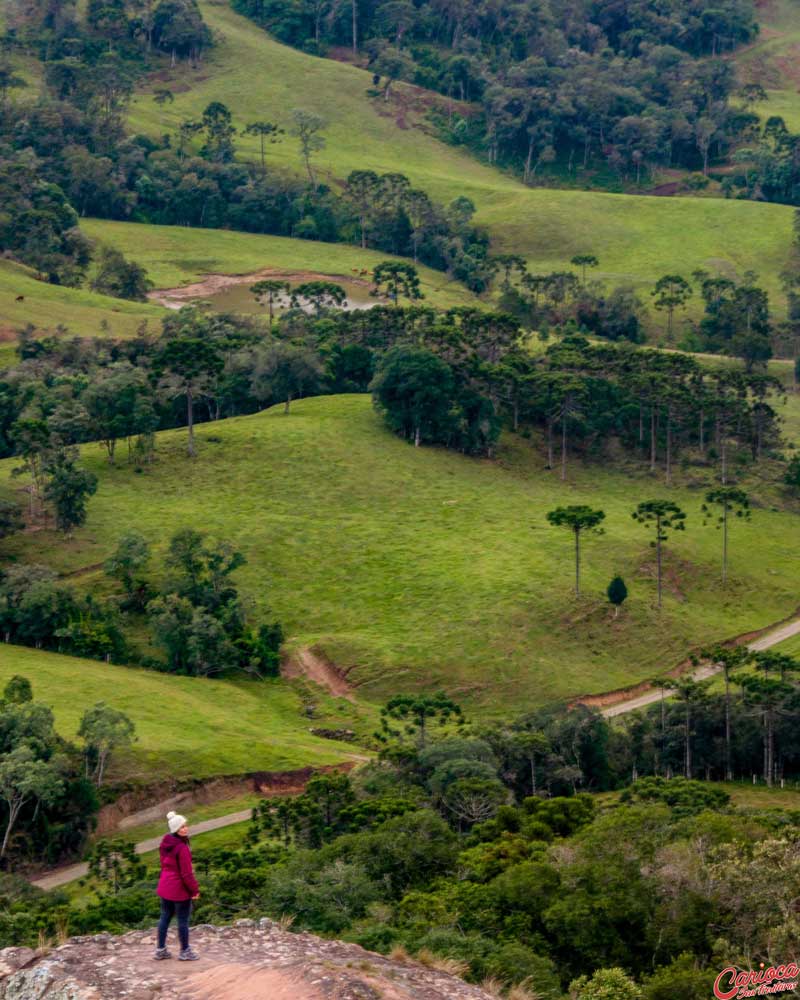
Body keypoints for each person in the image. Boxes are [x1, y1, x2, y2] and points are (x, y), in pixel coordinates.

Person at [153, 811, 200, 961]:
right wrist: (194, 890)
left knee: (165, 917)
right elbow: (186, 874)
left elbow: (165, 865)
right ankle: (185, 951)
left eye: (185, 825)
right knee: (182, 920)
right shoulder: (182, 848)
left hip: (165, 885)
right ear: (175, 829)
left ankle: (160, 950)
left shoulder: (165, 843)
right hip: (179, 890)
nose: (185, 829)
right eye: (181, 827)